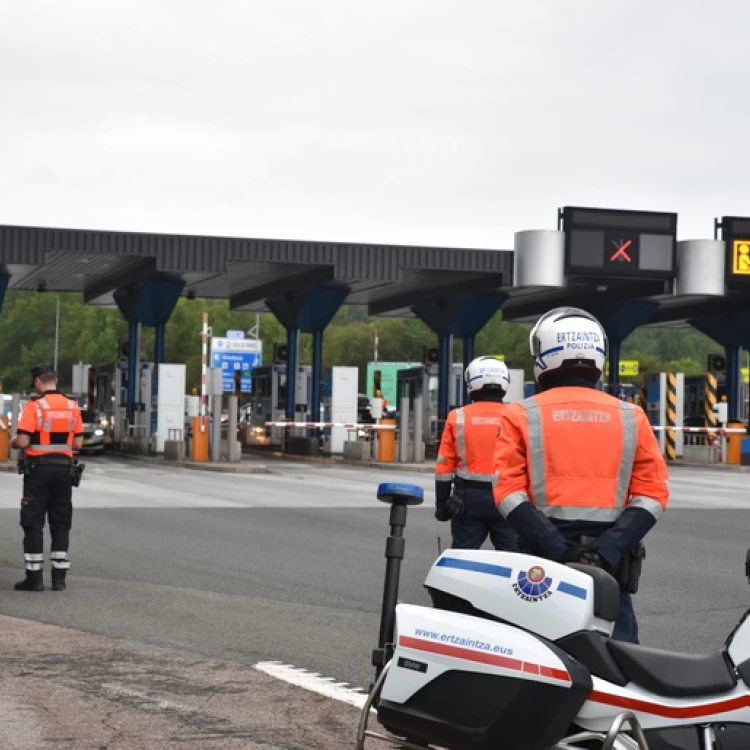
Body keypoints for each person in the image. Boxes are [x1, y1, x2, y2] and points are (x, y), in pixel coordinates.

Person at [492, 308, 669, 643]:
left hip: (542, 561)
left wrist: (561, 551)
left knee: (538, 659)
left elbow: (507, 493)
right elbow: (654, 494)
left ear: (543, 356)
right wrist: (605, 552)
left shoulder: (520, 414)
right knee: (621, 665)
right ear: (597, 357)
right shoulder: (632, 416)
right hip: (610, 564)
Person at [11, 363, 83, 592]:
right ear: (56, 381)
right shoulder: (73, 405)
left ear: (38, 382)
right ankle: (59, 579)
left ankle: (34, 579)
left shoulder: (35, 406)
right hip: (64, 471)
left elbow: (22, 441)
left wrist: (13, 441)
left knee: (33, 523)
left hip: (39, 471)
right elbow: (78, 443)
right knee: (61, 523)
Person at [435, 356, 519, 551]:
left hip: (468, 500)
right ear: (504, 382)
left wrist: (442, 505)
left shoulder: (458, 417)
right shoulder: (517, 415)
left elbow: (444, 466)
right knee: (514, 560)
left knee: (463, 557)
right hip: (509, 498)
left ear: (471, 382)